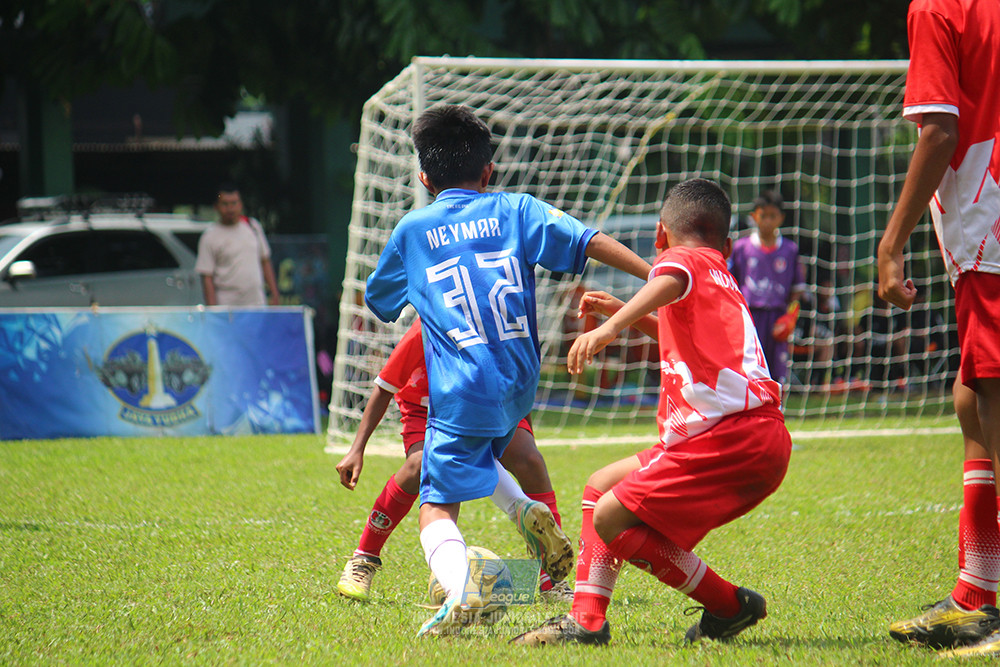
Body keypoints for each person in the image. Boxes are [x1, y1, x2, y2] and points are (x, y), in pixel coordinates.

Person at [363, 104, 651, 636]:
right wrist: (657, 275)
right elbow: (588, 239)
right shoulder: (517, 208)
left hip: (462, 386)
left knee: (436, 508)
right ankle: (522, 511)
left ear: (424, 179)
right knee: (494, 448)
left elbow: (378, 300)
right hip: (520, 382)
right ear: (489, 172)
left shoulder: (413, 229)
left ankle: (461, 584)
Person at [511, 178, 792, 647]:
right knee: (600, 486)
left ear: (660, 235)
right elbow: (680, 325)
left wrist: (610, 328)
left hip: (727, 438)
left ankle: (727, 605)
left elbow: (669, 275)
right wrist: (626, 313)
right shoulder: (720, 271)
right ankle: (588, 619)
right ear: (727, 242)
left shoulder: (683, 259)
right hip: (753, 437)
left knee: (608, 517)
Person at [876, 0, 1000, 657]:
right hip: (984, 232)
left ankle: (985, 609)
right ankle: (977, 590)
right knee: (970, 398)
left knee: (991, 402)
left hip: (992, 225)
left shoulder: (939, 7)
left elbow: (940, 132)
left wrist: (891, 243)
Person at [334, 318, 573, 603]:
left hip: (489, 405)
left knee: (529, 459)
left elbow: (522, 382)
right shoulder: (429, 324)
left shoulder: (499, 319)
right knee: (419, 465)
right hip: (426, 412)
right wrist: (357, 448)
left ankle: (552, 579)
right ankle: (364, 558)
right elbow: (385, 385)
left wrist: (524, 433)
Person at [728, 190, 805, 386]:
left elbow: (797, 288)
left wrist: (790, 316)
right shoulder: (741, 247)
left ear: (781, 218)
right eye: (763, 216)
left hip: (777, 316)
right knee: (750, 367)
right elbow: (732, 283)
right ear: (754, 216)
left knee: (776, 371)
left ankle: (777, 410)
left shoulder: (790, 249)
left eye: (773, 216)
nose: (768, 221)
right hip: (750, 316)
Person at [195, 184, 281, 306]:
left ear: (240, 205)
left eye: (234, 203)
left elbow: (265, 261)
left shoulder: (253, 227)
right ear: (216, 206)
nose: (230, 209)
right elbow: (207, 277)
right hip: (226, 306)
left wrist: (274, 294)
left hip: (256, 303)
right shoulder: (209, 237)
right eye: (225, 204)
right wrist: (213, 311)